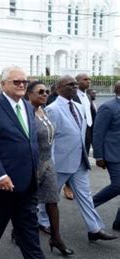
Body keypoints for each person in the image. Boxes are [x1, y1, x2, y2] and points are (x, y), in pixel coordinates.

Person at [0, 66, 62, 259]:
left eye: (24, 81)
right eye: (16, 82)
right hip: (2, 182)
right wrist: (0, 175)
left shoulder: (26, 105)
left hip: (27, 180)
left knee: (29, 227)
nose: (22, 84)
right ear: (4, 84)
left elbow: (30, 141)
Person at [45, 75, 117, 242]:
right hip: (60, 162)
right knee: (50, 196)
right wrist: (50, 162)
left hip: (79, 160)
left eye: (75, 84)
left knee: (85, 195)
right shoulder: (52, 109)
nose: (74, 86)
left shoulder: (78, 106)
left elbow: (81, 133)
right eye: (70, 84)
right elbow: (50, 138)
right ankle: (41, 222)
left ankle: (94, 229)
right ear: (58, 89)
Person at [27, 81, 73, 256]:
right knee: (28, 202)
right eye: (40, 91)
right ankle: (19, 232)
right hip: (33, 163)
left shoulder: (43, 111)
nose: (45, 94)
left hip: (48, 162)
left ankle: (56, 238)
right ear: (29, 94)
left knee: (52, 201)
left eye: (46, 91)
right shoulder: (27, 114)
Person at [92, 81, 120, 231]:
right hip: (113, 154)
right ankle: (89, 204)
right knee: (117, 185)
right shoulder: (108, 107)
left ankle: (118, 223)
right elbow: (98, 132)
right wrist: (98, 156)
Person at [74, 73, 96, 155]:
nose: (88, 81)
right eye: (85, 79)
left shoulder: (88, 96)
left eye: (89, 79)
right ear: (77, 82)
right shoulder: (73, 96)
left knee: (86, 153)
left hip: (88, 129)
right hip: (78, 129)